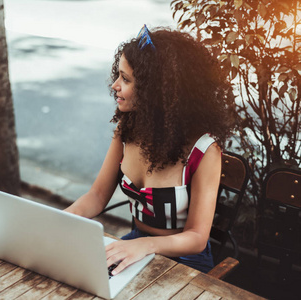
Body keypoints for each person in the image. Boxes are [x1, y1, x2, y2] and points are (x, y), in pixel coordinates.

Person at [65, 25, 235, 275]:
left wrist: (144, 246)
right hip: (136, 246)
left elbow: (198, 238)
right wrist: (59, 220)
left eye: (125, 79)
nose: (114, 86)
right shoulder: (127, 129)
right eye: (118, 75)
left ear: (154, 91)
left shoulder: (203, 150)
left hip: (185, 263)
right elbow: (97, 196)